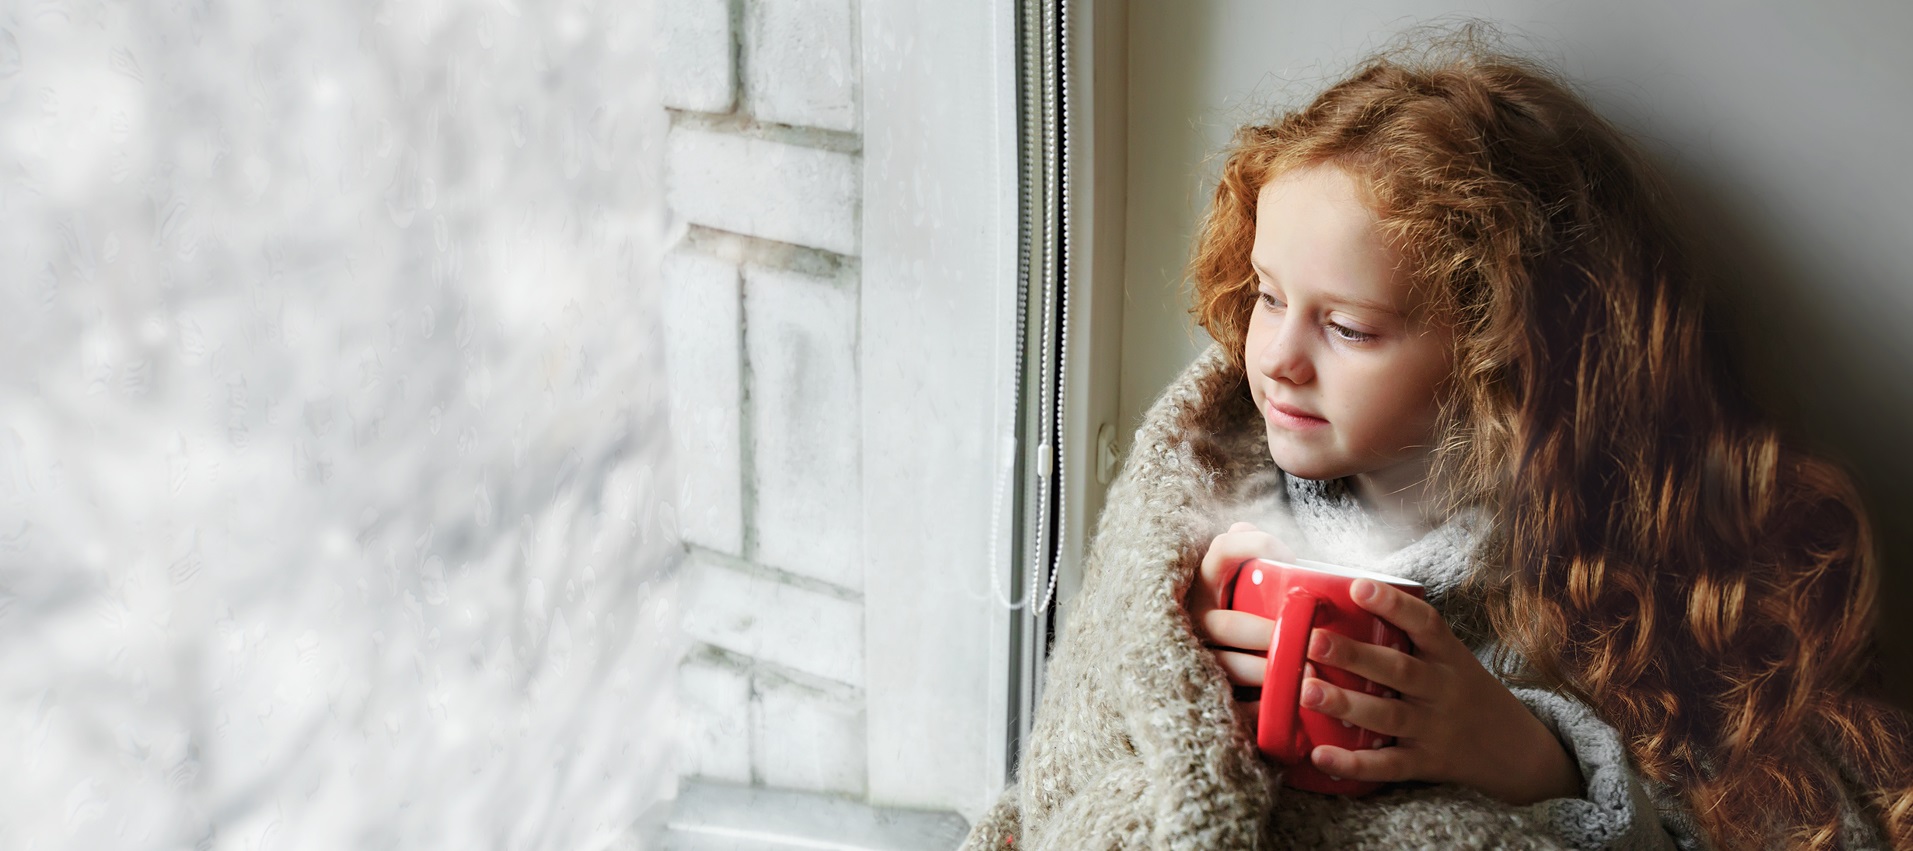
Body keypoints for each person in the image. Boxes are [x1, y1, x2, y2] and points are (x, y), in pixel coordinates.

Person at [960, 35, 1912, 851]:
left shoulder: (1618, 562)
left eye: (1351, 329)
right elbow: (1089, 747)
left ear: (1500, 357)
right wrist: (1182, 666)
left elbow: (1791, 815)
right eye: (1265, 295)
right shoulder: (1205, 470)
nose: (1277, 358)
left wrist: (1538, 760)